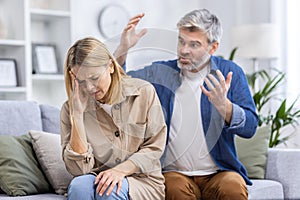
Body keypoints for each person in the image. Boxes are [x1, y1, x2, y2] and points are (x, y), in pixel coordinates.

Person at [114, 9, 258, 200]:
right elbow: (119, 86)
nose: (183, 50)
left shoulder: (230, 72)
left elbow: (250, 127)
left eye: (194, 44)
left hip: (219, 172)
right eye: (181, 41)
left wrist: (224, 106)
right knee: (173, 189)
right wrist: (123, 49)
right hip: (174, 173)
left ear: (213, 47)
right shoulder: (162, 72)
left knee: (233, 187)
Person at [60, 37, 167, 200]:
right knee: (79, 186)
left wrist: (120, 171)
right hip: (98, 178)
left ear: (110, 66)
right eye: (81, 81)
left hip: (142, 180)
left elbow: (154, 148)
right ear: (72, 76)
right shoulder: (70, 109)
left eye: (95, 78)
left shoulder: (144, 92)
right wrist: (77, 115)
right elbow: (79, 170)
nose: (89, 88)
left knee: (109, 191)